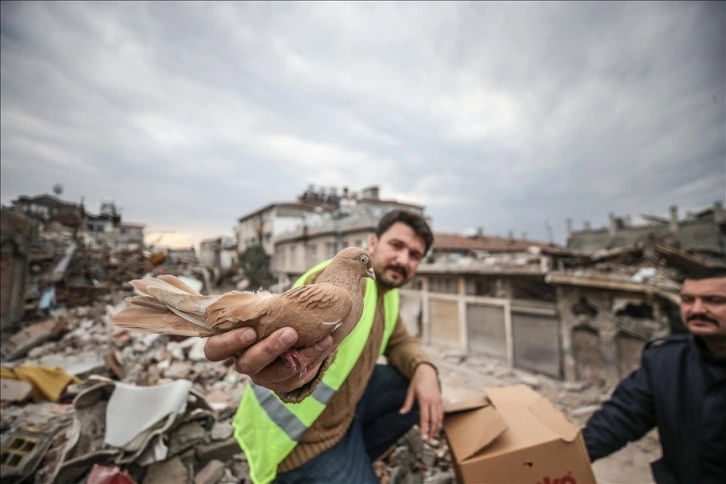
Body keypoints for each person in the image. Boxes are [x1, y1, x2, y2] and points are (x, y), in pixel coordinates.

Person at [205, 209, 444, 484]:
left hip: (343, 416)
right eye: (397, 246)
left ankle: (356, 457)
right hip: (297, 441)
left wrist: (424, 368)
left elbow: (400, 340)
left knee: (421, 384)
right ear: (373, 242)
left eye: (414, 255)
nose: (403, 260)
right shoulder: (330, 285)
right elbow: (276, 340)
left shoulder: (386, 295)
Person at [582, 266, 726, 484]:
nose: (697, 309)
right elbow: (620, 417)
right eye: (687, 300)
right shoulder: (665, 362)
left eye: (714, 300)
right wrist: (566, 456)